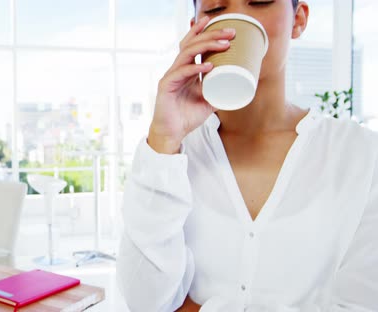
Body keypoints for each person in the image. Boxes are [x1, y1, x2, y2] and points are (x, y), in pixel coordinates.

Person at [116, 0, 378, 311]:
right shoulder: (169, 153)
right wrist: (164, 138)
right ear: (195, 30)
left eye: (260, 1)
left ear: (299, 19)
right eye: (215, 9)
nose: (237, 21)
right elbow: (146, 301)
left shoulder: (362, 155)